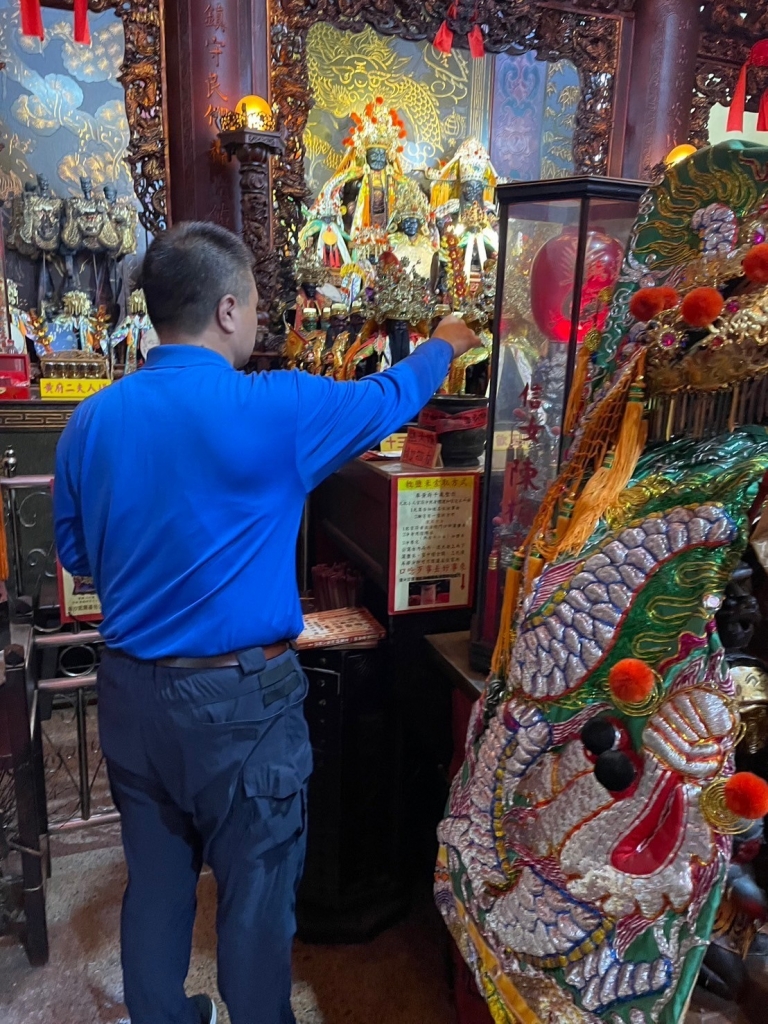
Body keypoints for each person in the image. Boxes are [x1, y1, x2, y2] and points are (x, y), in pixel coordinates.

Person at [53, 221, 481, 1024]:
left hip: (130, 695)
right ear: (226, 309)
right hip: (240, 705)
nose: (257, 320)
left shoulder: (91, 421)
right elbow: (391, 396)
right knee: (254, 902)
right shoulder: (276, 407)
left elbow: (77, 556)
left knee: (157, 883)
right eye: (253, 305)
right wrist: (445, 343)